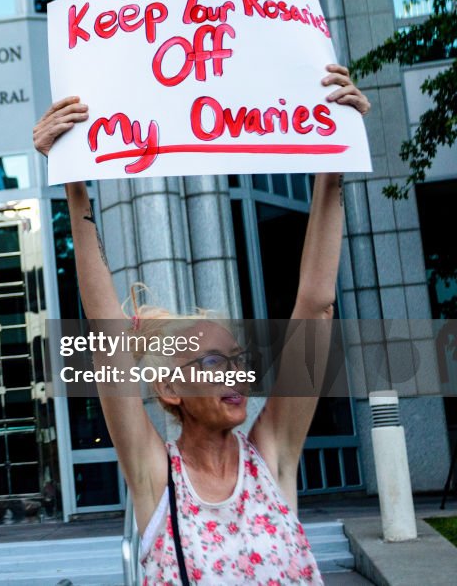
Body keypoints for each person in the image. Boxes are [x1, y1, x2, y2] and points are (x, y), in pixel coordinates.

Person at [33, 65, 369, 584]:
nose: (235, 375)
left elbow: (317, 306)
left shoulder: (272, 459)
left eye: (237, 360)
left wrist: (337, 158)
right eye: (214, 363)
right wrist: (74, 180)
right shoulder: (154, 478)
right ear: (169, 388)